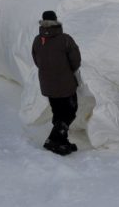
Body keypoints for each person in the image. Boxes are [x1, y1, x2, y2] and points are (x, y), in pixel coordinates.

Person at [31, 10, 81, 155]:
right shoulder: (65, 39)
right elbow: (75, 61)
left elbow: (36, 60)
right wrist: (67, 71)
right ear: (56, 21)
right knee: (70, 112)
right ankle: (52, 140)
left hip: (47, 84)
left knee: (58, 113)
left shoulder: (37, 40)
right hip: (65, 84)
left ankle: (62, 141)